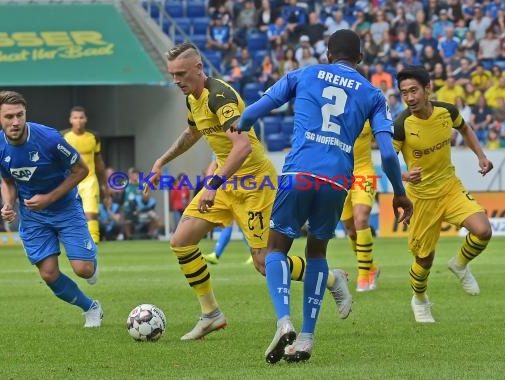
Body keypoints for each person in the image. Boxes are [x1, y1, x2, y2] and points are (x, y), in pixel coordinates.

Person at [146, 42, 353, 341]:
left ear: (199, 68)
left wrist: (212, 185)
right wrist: (161, 161)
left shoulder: (220, 97)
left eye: (181, 73)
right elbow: (193, 132)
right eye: (172, 74)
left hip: (254, 183)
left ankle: (333, 278)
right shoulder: (193, 98)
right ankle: (211, 314)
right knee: (181, 241)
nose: (176, 80)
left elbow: (241, 147)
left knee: (263, 262)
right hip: (225, 183)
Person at [236, 29, 413, 363]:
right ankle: (305, 338)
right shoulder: (374, 94)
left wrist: (241, 124)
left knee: (275, 248)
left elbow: (255, 110)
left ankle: (284, 320)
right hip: (336, 182)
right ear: (360, 59)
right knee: (317, 252)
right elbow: (389, 156)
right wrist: (400, 194)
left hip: (299, 173)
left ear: (328, 54)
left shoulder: (303, 74)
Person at [0, 91, 102, 328]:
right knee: (48, 274)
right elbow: (8, 180)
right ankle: (90, 308)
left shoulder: (50, 139)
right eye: (9, 116)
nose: (16, 122)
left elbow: (81, 170)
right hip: (32, 215)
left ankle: (90, 259)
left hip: (65, 207)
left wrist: (49, 198)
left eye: (20, 115)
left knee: (84, 270)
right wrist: (8, 204)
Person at [394, 66, 494, 323]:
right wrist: (403, 176)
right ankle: (420, 299)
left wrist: (481, 156)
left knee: (483, 230)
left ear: (428, 89)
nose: (410, 98)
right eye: (404, 93)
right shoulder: (401, 124)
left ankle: (459, 264)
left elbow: (466, 129)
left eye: (414, 90)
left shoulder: (446, 111)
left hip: (450, 187)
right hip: (421, 198)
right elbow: (387, 160)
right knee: (424, 260)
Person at [340, 121, 380, 292]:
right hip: (340, 176)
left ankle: (363, 276)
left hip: (364, 172)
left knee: (362, 218)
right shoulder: (332, 108)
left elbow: (386, 138)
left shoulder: (368, 107)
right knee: (350, 230)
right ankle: (372, 268)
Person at [62, 106, 108, 245]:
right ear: (70, 120)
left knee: (91, 209)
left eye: (81, 117)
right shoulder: (63, 137)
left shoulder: (93, 137)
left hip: (89, 179)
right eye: (75, 118)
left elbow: (98, 161)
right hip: (70, 180)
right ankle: (70, 239)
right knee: (69, 211)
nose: (78, 121)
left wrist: (105, 183)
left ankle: (94, 239)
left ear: (85, 119)